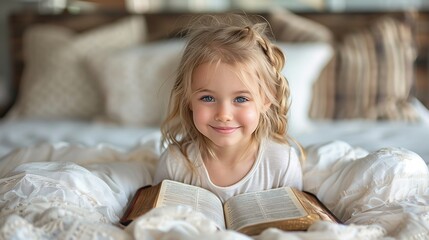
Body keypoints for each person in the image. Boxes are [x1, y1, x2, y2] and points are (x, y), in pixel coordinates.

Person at [153, 13, 303, 203]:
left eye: (240, 99)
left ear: (266, 100)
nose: (223, 115)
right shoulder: (175, 162)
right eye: (207, 97)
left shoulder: (282, 162)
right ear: (188, 99)